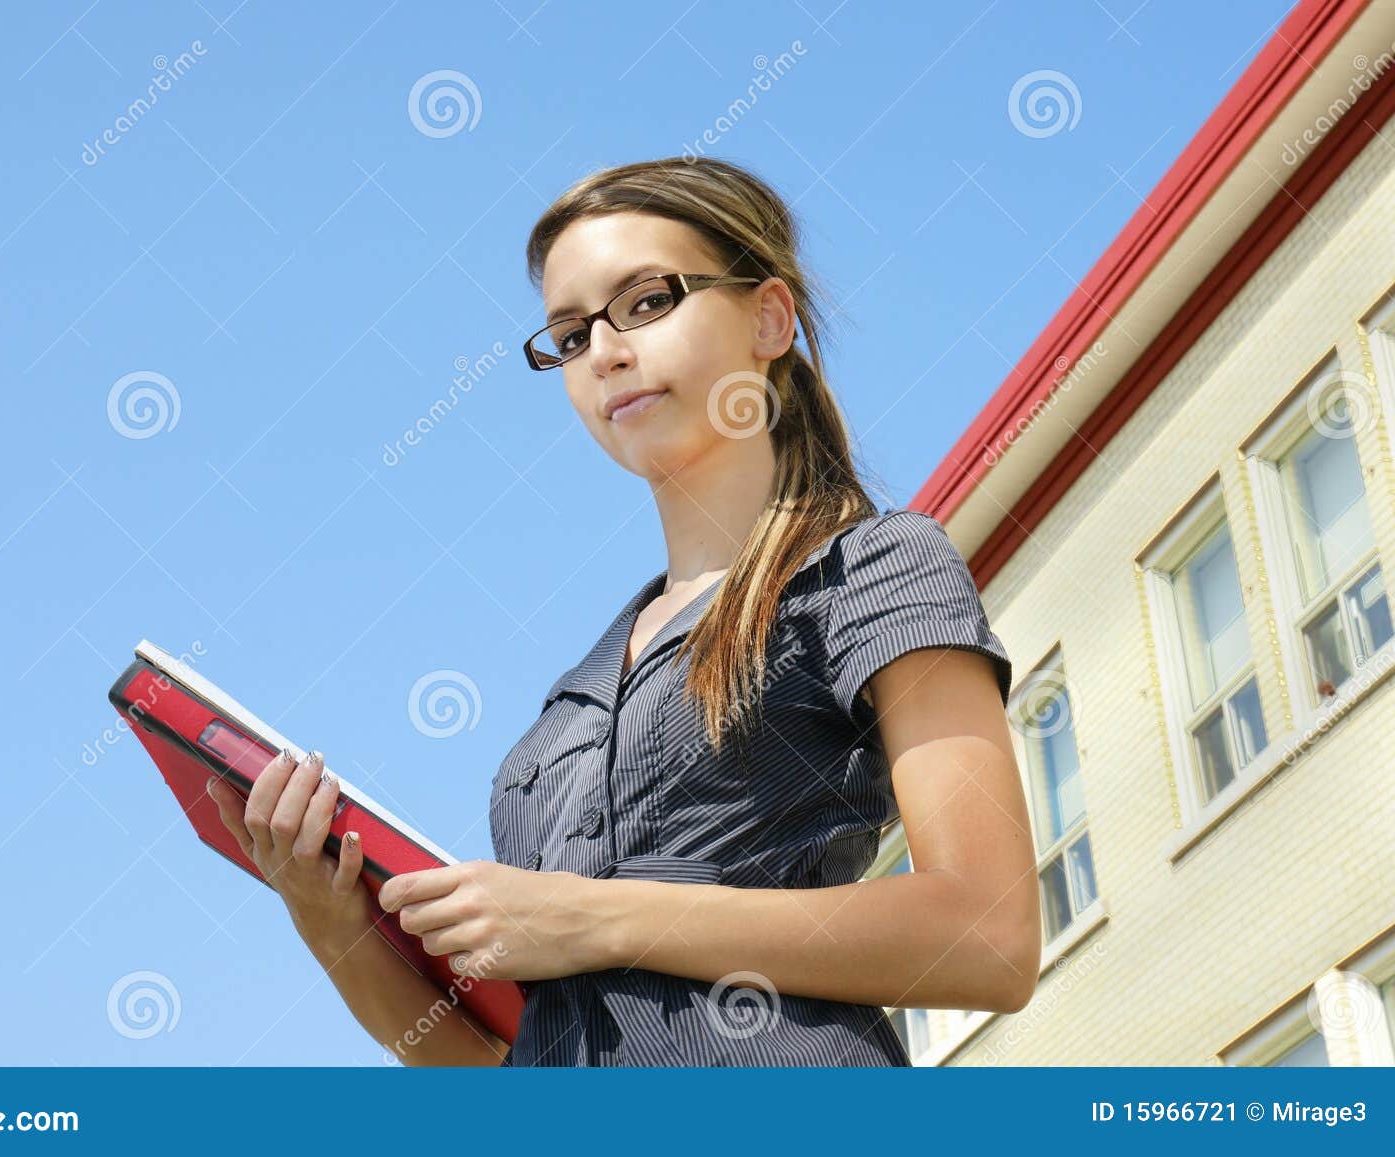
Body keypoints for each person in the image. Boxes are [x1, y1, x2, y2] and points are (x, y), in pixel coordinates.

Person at [206, 156, 1041, 1066]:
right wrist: (329, 920)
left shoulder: (871, 568)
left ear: (769, 316)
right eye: (569, 334)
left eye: (647, 301)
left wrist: (590, 917)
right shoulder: (567, 707)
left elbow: (990, 934)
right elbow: (494, 1066)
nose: (604, 351)